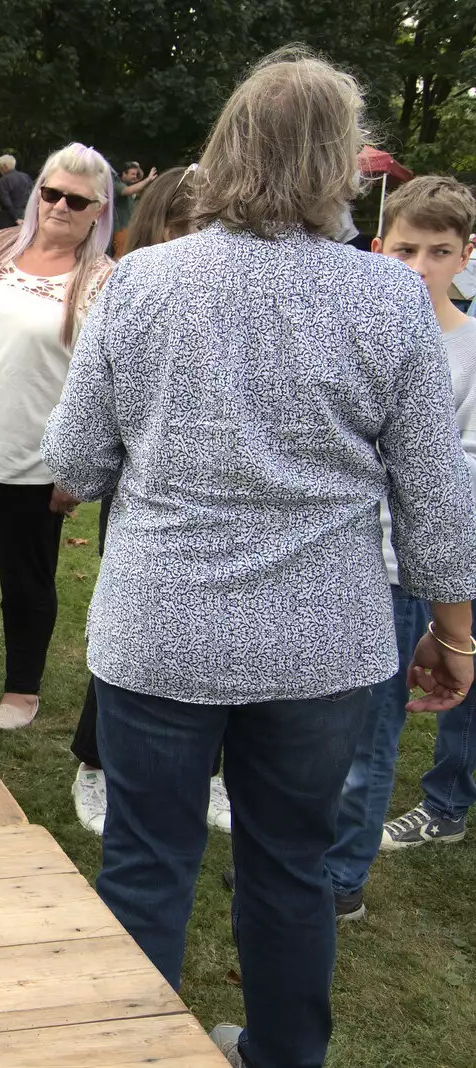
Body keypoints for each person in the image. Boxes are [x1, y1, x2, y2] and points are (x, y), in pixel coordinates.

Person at [42, 50, 476, 1068]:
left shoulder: (139, 285)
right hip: (319, 646)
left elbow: (71, 462)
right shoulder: (385, 303)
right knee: (289, 868)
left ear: (223, 151)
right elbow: (434, 492)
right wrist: (456, 634)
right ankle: (284, 1057)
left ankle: (133, 1055)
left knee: (145, 865)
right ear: (340, 167)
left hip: (160, 633)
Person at [64, 164, 238, 835]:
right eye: (185, 225)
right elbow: (90, 427)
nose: (198, 239)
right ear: (158, 227)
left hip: (228, 504)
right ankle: (97, 761)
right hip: (145, 502)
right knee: (133, 635)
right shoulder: (131, 292)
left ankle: (215, 772)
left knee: (226, 643)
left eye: (209, 225)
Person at [327, 176, 476, 921]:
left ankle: (344, 879)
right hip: (331, 557)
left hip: (400, 570)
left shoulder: (469, 351)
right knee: (321, 725)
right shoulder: (354, 329)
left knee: (370, 734)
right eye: (407, 248)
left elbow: (456, 478)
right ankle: (312, 855)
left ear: (465, 257)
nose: (419, 267)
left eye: (439, 252)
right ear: (378, 247)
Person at [0, 143, 114, 732]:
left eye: (77, 199)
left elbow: (105, 382)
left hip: (31, 462)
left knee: (26, 582)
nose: (60, 205)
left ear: (99, 210)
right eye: (52, 192)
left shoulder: (103, 280)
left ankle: (22, 691)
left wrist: (77, 468)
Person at [110, 161, 158, 255]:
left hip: (130, 227)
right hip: (121, 228)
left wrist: (138, 167)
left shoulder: (129, 183)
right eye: (132, 174)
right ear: (124, 173)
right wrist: (148, 179)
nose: (135, 177)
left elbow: (139, 177)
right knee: (121, 255)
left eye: (136, 174)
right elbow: (127, 191)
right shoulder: (116, 184)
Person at [0, 154, 33, 227]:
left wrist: (15, 218)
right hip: (25, 215)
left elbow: (6, 201)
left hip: (9, 219)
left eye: (0, 167)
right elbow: (32, 196)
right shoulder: (26, 177)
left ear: (5, 166)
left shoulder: (4, 180)